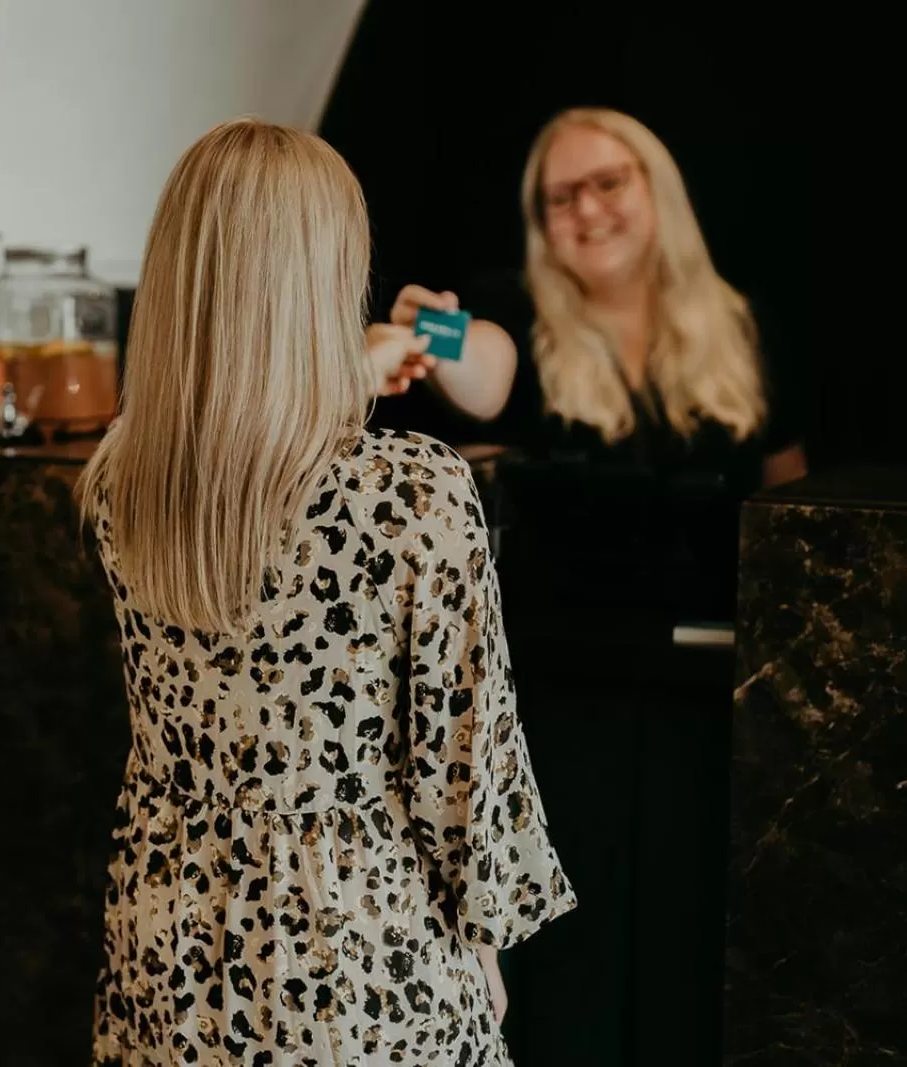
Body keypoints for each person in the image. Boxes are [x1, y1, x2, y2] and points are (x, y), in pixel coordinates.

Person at [78, 118, 575, 1066]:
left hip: (170, 938)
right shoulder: (412, 492)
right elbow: (465, 765)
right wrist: (487, 942)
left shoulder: (121, 484)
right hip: (356, 949)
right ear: (329, 277)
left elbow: (246, 435)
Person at [368, 106, 809, 492]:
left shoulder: (744, 326)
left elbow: (788, 499)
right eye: (561, 198)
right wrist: (434, 331)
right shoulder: (518, 309)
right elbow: (481, 369)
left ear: (658, 188)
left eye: (609, 183)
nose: (589, 210)